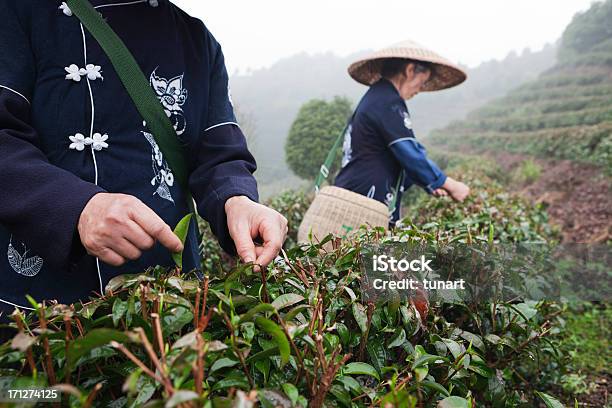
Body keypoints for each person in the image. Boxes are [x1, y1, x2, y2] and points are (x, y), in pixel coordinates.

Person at [0, 0, 287, 326]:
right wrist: (76, 207)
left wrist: (238, 199)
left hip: (168, 303)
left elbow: (219, 154)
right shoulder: (18, 12)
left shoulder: (196, 41)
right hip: (44, 306)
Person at [335, 41, 471, 224]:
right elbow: (408, 151)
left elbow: (394, 158)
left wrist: (430, 184)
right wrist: (448, 183)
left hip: (357, 191)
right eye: (421, 82)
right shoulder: (387, 102)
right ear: (409, 71)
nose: (419, 90)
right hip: (365, 199)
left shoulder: (377, 97)